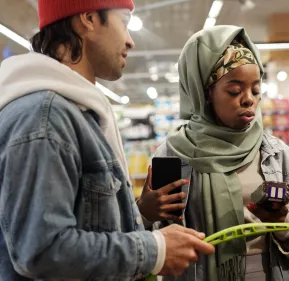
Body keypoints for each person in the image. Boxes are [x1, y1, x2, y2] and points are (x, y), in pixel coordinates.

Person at [0, 0, 214, 280]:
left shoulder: (76, 112)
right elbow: (41, 251)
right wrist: (155, 250)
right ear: (88, 18)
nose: (130, 41)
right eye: (124, 22)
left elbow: (82, 223)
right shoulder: (47, 117)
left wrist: (137, 214)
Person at [140, 25, 289, 281]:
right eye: (234, 91)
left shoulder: (276, 153)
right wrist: (145, 214)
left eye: (256, 90)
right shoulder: (172, 154)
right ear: (205, 92)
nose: (248, 99)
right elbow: (153, 243)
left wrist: (284, 220)